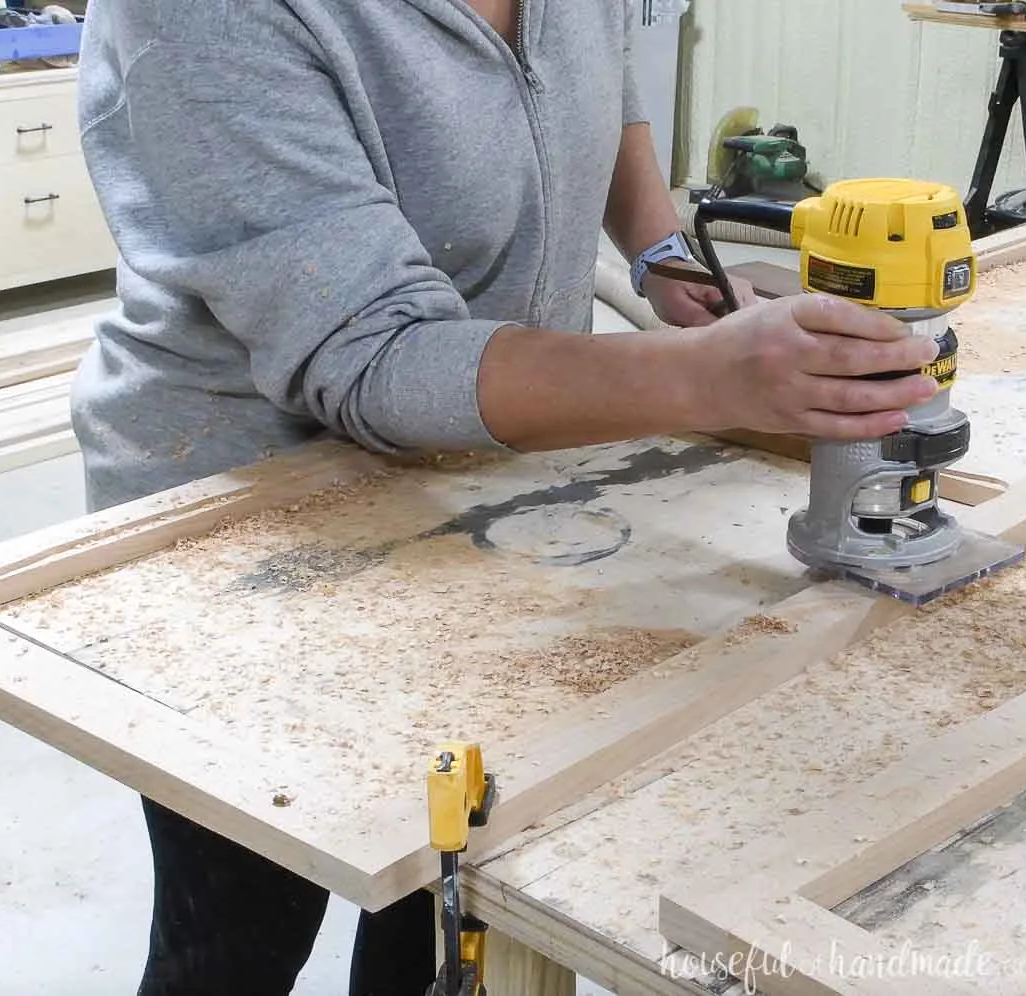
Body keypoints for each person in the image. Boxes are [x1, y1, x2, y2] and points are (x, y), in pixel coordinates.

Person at [71, 2, 943, 993]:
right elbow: (375, 356)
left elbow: (597, 74)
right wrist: (705, 377)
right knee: (243, 926)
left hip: (498, 464)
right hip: (255, 520)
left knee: (458, 882)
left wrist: (661, 254)